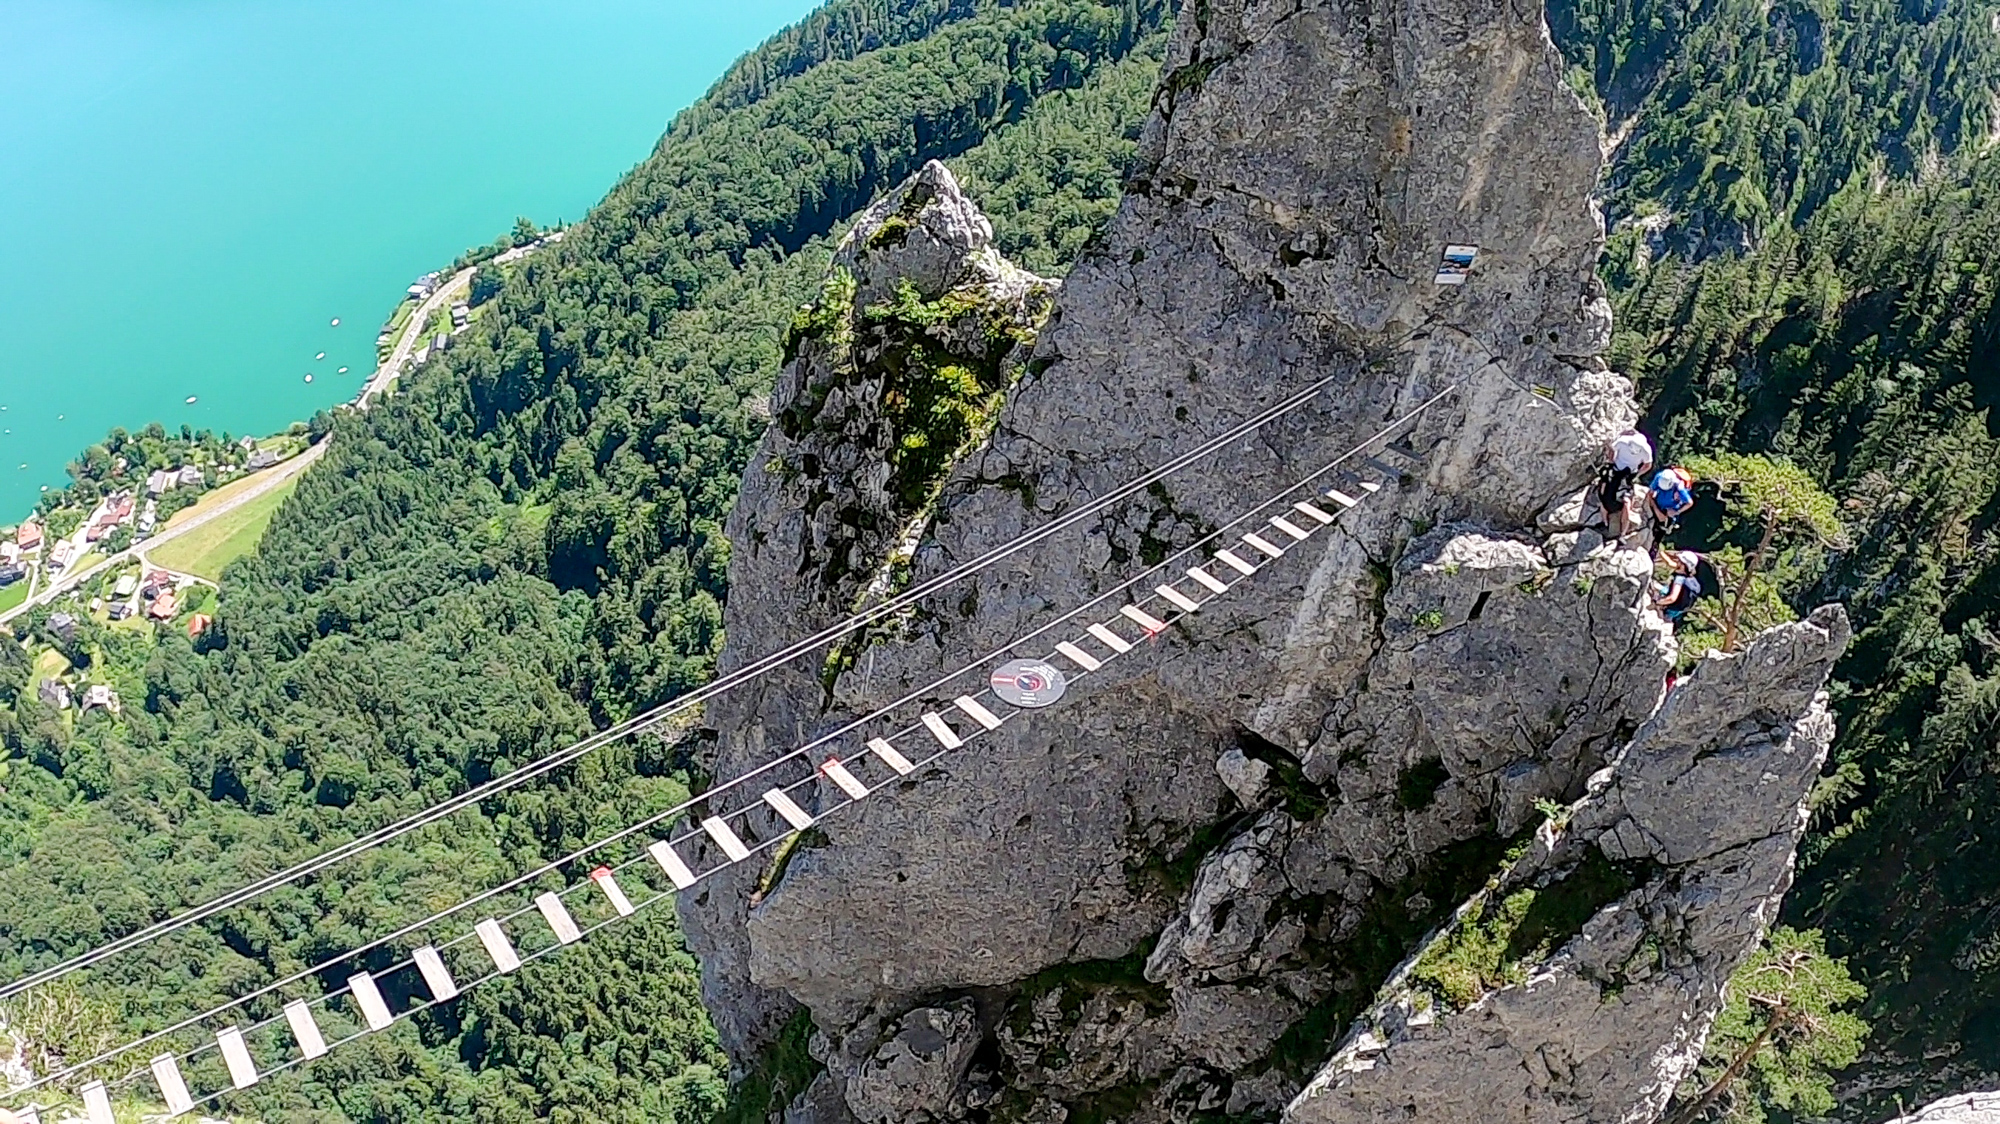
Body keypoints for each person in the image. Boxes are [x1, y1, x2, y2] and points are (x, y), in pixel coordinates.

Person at [1598, 428, 1654, 540]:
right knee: (1604, 494)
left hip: (1629, 474)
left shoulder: (1646, 450)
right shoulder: (1623, 441)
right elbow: (1612, 451)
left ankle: (1622, 534)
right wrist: (1611, 462)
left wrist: (1637, 474)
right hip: (1616, 470)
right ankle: (1605, 523)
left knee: (1626, 502)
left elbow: (1648, 464)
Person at [1646, 465, 1697, 548]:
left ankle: (1654, 547)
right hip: (1659, 503)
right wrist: (1652, 501)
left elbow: (1690, 502)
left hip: (1669, 510)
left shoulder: (1679, 487)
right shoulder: (1660, 477)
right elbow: (1651, 491)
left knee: (1660, 531)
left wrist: (1677, 512)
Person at [1653, 549, 1704, 623]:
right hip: (1680, 608)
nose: (1677, 561)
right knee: (1658, 587)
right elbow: (1670, 563)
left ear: (1683, 564)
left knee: (1662, 620)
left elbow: (1672, 598)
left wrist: (1657, 602)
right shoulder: (1689, 576)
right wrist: (1660, 551)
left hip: (1671, 607)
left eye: (1679, 560)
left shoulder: (1680, 579)